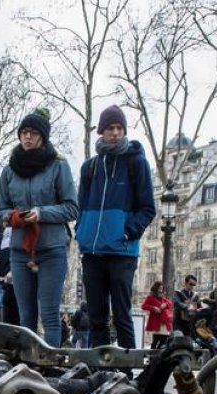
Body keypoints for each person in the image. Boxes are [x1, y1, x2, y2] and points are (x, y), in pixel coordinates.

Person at [75, 104, 156, 348]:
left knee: (122, 316)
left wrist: (127, 231)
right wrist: (82, 232)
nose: (116, 132)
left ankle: (126, 370)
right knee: (96, 318)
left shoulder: (136, 164)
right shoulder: (89, 167)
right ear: (101, 131)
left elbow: (147, 208)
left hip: (121, 252)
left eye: (120, 127)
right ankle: (98, 371)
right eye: (110, 128)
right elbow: (81, 206)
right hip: (92, 251)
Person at [0, 108, 79, 347]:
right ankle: (28, 370)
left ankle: (48, 367)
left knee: (50, 315)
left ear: (42, 136)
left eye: (33, 132)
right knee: (26, 317)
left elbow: (72, 208)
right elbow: (0, 210)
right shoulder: (9, 171)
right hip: (20, 251)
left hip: (52, 248)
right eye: (23, 132)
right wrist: (14, 217)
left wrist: (41, 213)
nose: (27, 137)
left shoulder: (58, 166)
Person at [141, 281, 174, 349]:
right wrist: (153, 308)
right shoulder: (150, 297)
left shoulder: (163, 298)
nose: (160, 290)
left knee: (164, 340)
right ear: (155, 288)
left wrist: (166, 304)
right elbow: (143, 306)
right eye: (159, 288)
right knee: (155, 341)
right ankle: (152, 357)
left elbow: (170, 304)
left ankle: (157, 356)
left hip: (164, 322)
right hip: (156, 322)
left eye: (162, 288)